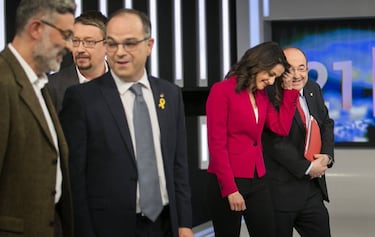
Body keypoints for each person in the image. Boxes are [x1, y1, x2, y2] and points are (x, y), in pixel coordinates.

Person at [59, 8, 194, 237]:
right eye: (112, 44)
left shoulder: (169, 94)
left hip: (164, 224)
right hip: (109, 227)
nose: (120, 52)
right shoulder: (82, 99)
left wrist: (184, 224)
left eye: (130, 43)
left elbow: (178, 166)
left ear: (149, 45)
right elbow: (74, 181)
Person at [206, 41, 299, 237]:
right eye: (271, 74)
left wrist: (290, 91)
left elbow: (280, 127)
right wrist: (230, 189)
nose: (272, 81)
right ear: (258, 64)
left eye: (276, 77)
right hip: (228, 179)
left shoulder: (262, 95)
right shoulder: (221, 91)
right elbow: (217, 144)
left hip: (258, 178)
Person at [0, 0, 76, 236]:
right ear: (36, 29)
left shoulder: (39, 84)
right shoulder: (3, 82)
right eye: (65, 35)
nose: (70, 46)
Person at [262, 46, 335, 237]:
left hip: (312, 191)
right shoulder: (268, 94)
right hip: (280, 193)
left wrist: (326, 156)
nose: (296, 75)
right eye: (289, 69)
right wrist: (308, 168)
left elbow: (326, 123)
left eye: (301, 68)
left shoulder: (313, 89)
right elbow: (274, 141)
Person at [47, 10, 108, 113]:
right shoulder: (52, 87)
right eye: (75, 41)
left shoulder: (122, 82)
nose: (80, 49)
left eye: (89, 42)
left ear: (107, 45)